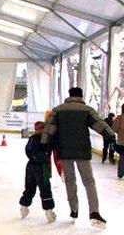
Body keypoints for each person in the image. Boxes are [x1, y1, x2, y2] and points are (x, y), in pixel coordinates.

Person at [41, 87, 115, 228]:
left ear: (69, 96)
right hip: (82, 151)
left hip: (64, 151)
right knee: (89, 181)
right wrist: (110, 135)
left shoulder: (58, 110)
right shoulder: (86, 110)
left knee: (70, 180)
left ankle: (74, 210)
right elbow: (99, 124)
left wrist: (44, 143)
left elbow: (49, 127)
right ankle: (94, 212)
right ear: (81, 96)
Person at [19, 121, 56, 223]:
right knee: (45, 188)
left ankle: (24, 207)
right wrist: (43, 157)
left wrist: (33, 158)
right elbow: (48, 149)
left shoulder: (31, 138)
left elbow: (27, 150)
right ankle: (49, 211)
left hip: (30, 166)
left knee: (29, 187)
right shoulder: (45, 139)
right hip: (41, 167)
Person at [112, 105, 124, 179]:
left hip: (121, 141)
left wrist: (120, 132)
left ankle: (120, 173)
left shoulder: (119, 118)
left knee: (122, 157)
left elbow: (114, 128)